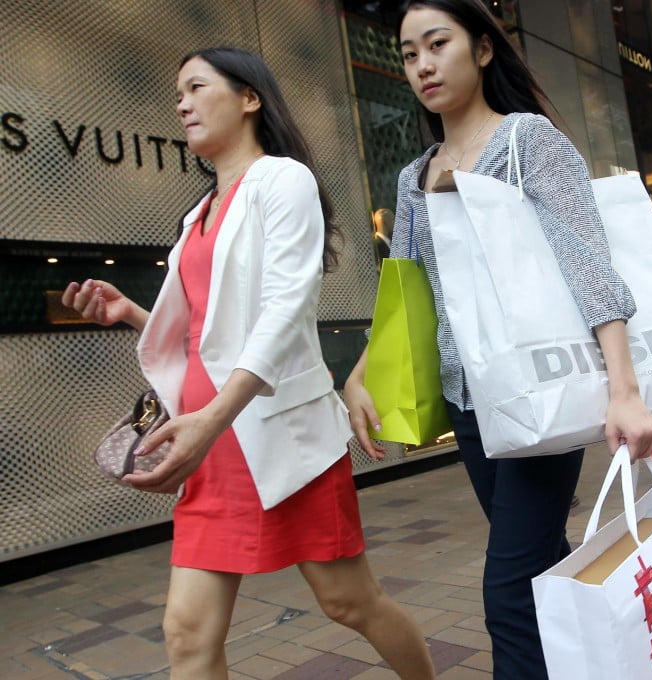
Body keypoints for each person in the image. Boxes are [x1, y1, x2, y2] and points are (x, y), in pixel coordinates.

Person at [61, 48, 435, 679]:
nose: (180, 103)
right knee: (185, 631)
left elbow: (286, 311)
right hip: (210, 444)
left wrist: (212, 419)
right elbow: (208, 336)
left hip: (275, 434)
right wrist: (131, 312)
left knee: (349, 601)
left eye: (195, 87)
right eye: (177, 93)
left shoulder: (283, 181)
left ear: (248, 97)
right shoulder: (198, 214)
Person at [342, 3, 652, 676]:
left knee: (508, 589)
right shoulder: (413, 174)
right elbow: (408, 290)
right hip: (470, 400)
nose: (422, 65)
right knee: (537, 560)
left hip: (542, 387)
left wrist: (624, 391)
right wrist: (361, 371)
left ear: (483, 51)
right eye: (408, 54)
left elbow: (588, 265)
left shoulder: (527, 141)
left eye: (438, 44)